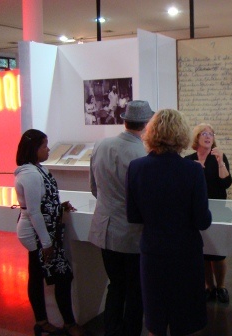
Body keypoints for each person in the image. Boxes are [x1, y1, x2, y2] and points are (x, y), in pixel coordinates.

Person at [126, 109, 212, 336]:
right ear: (182, 134)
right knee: (185, 322)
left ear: (151, 133)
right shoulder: (193, 171)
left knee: (156, 321)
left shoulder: (136, 168)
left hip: (153, 253)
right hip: (186, 254)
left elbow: (133, 216)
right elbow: (203, 221)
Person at [88, 100, 154, 336]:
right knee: (135, 290)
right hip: (130, 234)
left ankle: (111, 329)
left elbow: (94, 189)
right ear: (146, 124)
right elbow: (144, 200)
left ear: (125, 120)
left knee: (115, 286)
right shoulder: (143, 154)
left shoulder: (101, 145)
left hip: (105, 229)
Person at [14, 129, 86, 336]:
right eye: (44, 146)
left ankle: (45, 321)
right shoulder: (29, 174)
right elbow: (35, 212)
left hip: (45, 231)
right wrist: (46, 243)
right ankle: (65, 323)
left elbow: (42, 203)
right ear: (33, 149)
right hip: (39, 234)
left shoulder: (37, 170)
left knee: (40, 275)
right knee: (59, 275)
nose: (48, 149)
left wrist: (58, 206)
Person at [184, 123, 232, 303]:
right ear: (197, 138)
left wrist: (220, 163)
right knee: (203, 251)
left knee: (218, 252)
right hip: (197, 212)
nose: (208, 137)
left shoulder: (218, 157)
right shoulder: (189, 160)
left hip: (218, 211)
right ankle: (208, 286)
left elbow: (226, 183)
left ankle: (220, 286)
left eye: (211, 134)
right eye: (204, 134)